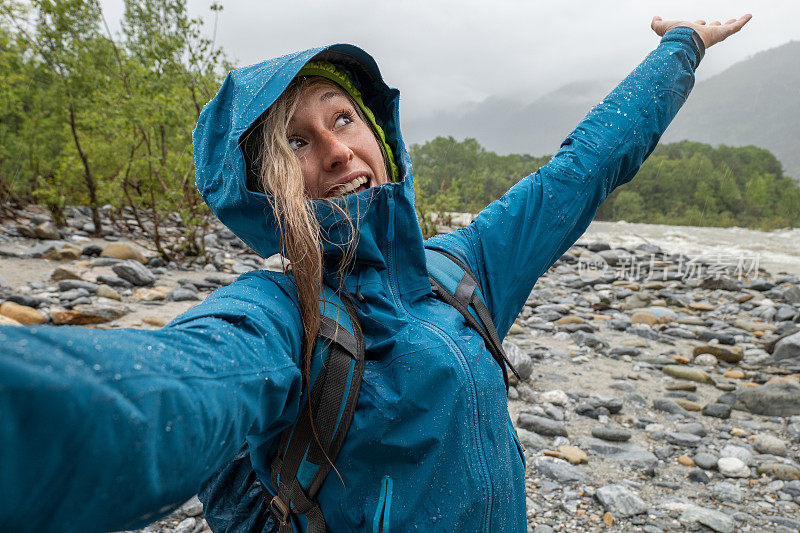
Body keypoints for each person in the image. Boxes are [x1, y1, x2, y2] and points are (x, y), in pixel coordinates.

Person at [0, 15, 750, 533]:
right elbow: (166, 390)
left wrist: (679, 47)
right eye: (293, 142)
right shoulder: (279, 315)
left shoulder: (462, 265)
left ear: (377, 130)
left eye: (341, 118)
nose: (334, 151)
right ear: (266, 192)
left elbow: (580, 171)